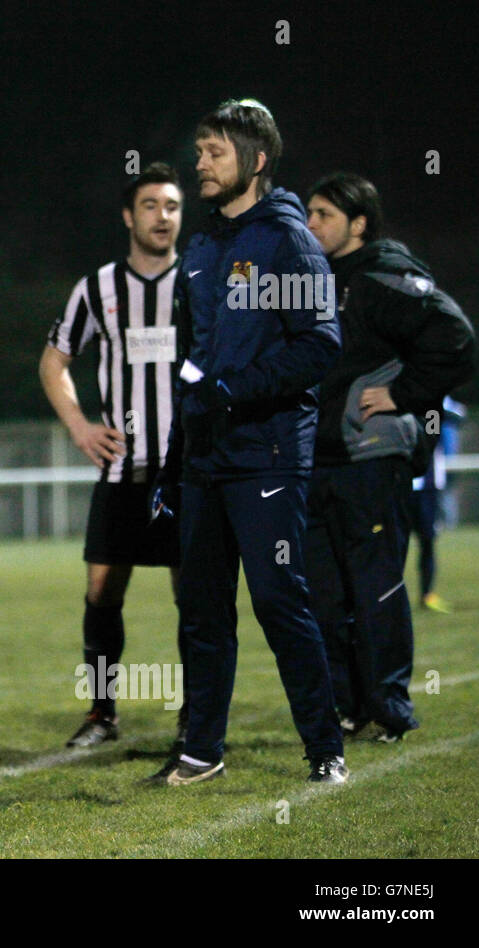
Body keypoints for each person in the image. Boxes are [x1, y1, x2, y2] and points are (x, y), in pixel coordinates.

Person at [149, 99, 348, 785]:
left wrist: (235, 389)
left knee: (277, 601)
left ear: (256, 161)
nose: (200, 163)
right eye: (200, 151)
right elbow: (193, 365)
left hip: (267, 453)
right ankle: (201, 750)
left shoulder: (287, 241)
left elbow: (320, 344)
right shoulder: (202, 248)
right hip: (204, 460)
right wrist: (173, 461)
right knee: (202, 610)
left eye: (215, 153)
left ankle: (325, 748)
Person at [304, 172, 474, 741]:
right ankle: (348, 707)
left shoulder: (386, 275)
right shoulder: (313, 279)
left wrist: (402, 394)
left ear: (358, 224)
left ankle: (391, 710)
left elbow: (456, 339)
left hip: (371, 459)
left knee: (375, 587)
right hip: (316, 461)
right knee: (325, 596)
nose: (311, 223)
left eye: (324, 214)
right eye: (309, 212)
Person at [39, 163, 186, 754]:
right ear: (129, 216)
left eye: (172, 206)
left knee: (195, 596)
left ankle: (197, 716)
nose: (162, 216)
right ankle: (102, 713)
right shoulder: (97, 288)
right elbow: (54, 363)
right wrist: (79, 427)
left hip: (185, 474)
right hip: (123, 470)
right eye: (150, 205)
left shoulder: (198, 284)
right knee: (102, 590)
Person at [410, 396, 465, 612]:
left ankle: (427, 594)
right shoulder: (397, 391)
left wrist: (435, 411)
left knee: (427, 540)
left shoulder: (434, 402)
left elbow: (454, 417)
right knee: (394, 542)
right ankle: (387, 596)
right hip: (400, 482)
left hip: (427, 484)